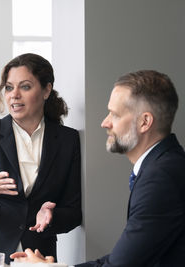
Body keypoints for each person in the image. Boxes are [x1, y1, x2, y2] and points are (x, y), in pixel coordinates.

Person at [11, 70, 185, 266]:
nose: (105, 123)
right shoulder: (164, 166)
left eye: (115, 114)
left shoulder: (161, 178)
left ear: (145, 122)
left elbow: (121, 264)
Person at [0, 53, 82, 267]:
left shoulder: (68, 140)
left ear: (46, 90)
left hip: (37, 258)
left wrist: (51, 215)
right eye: (9, 87)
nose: (14, 95)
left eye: (25, 87)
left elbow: (74, 211)